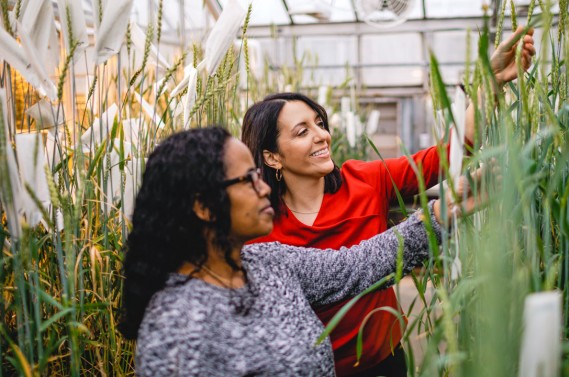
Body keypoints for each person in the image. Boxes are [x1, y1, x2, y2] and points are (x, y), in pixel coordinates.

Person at [241, 27, 535, 376]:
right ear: (272, 157)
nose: (322, 135)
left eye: (319, 123)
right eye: (302, 131)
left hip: (385, 360)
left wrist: (491, 83)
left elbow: (447, 155)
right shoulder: (257, 224)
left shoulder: (365, 179)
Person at [118, 126, 483, 376]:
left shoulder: (267, 263)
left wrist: (444, 210)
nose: (263, 188)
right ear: (203, 206)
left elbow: (357, 264)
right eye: (248, 179)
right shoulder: (177, 327)